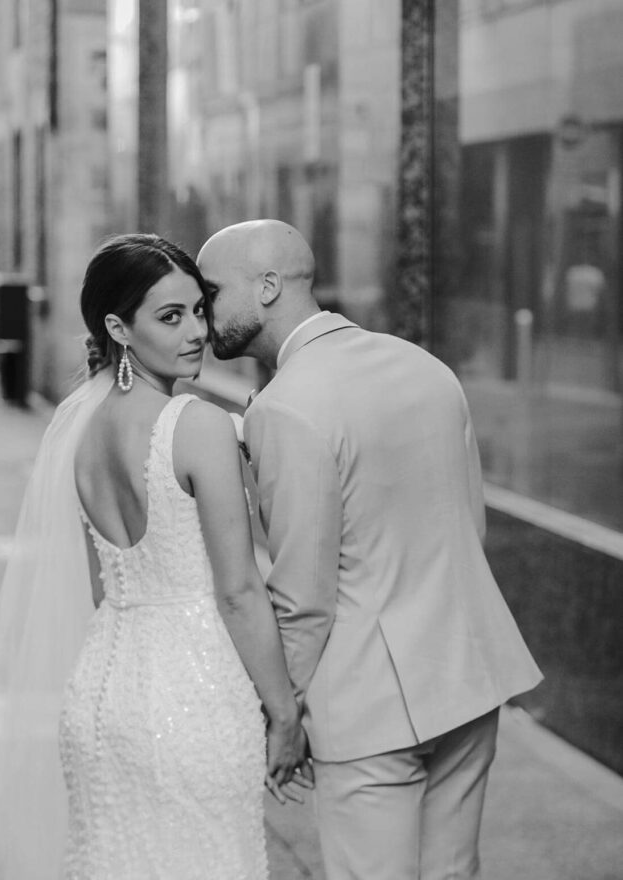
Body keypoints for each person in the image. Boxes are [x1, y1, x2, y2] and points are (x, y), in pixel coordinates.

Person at [0, 233, 310, 880]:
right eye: (170, 317)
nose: (195, 331)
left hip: (100, 699)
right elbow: (238, 591)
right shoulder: (195, 426)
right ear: (117, 326)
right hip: (192, 698)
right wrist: (284, 713)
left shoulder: (79, 431)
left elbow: (97, 587)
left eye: (198, 309)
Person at [197, 220, 544, 880]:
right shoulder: (425, 367)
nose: (202, 310)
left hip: (368, 704)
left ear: (266, 287)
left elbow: (302, 599)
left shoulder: (285, 408)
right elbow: (465, 527)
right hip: (469, 674)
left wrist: (280, 714)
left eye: (211, 291)